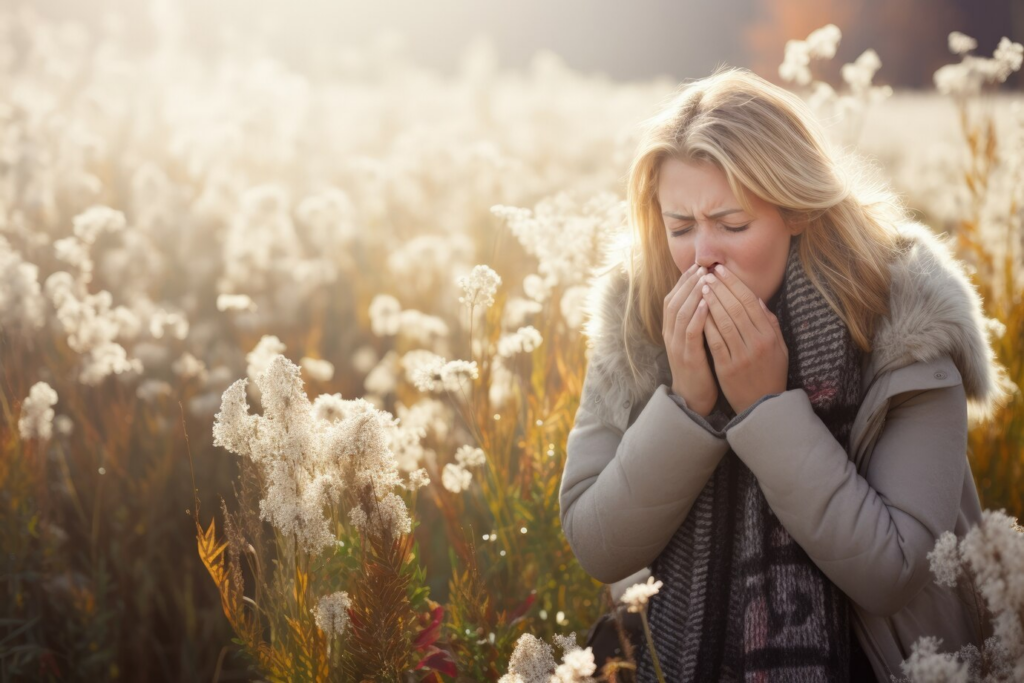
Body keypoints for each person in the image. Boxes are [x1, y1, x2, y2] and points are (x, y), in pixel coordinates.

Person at [559, 67, 1014, 682]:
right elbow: (598, 544)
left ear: (797, 211)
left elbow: (894, 573)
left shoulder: (901, 317)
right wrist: (687, 404)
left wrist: (767, 409)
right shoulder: (639, 313)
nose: (703, 257)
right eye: (681, 227)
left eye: (733, 224)